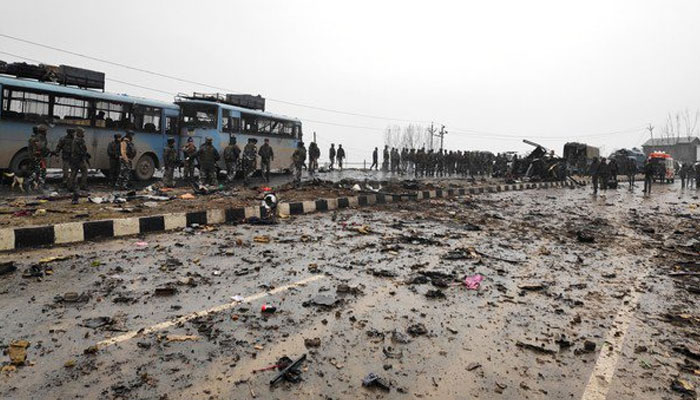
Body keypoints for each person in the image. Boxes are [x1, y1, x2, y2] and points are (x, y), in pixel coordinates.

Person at [27, 124, 50, 190]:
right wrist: (48, 151)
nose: (46, 132)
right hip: (39, 157)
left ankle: (32, 185)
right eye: (45, 131)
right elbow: (41, 148)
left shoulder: (34, 137)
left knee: (35, 172)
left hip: (33, 157)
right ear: (42, 131)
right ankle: (40, 186)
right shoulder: (40, 138)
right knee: (42, 172)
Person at [68, 128, 89, 196]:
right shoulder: (79, 140)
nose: (84, 134)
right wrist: (85, 154)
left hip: (75, 159)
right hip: (78, 159)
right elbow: (79, 150)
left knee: (74, 172)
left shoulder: (75, 139)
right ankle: (83, 185)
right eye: (83, 132)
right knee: (84, 171)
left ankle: (70, 186)